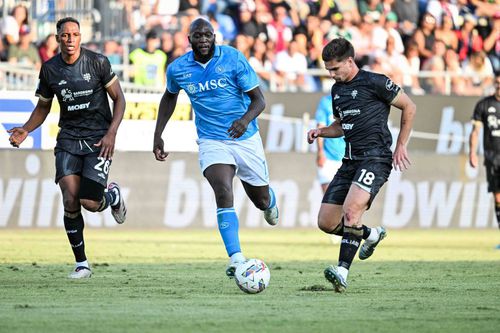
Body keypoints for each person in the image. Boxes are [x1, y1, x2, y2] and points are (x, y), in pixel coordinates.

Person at [153, 18, 279, 278]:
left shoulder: (233, 58)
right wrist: (158, 134)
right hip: (211, 139)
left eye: (207, 34)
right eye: (197, 35)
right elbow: (169, 97)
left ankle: (270, 202)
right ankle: (236, 257)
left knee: (261, 199)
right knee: (222, 190)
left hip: (245, 138)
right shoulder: (178, 69)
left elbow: (259, 100)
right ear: (189, 40)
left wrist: (244, 121)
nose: (203, 39)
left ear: (214, 37)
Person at [7, 17, 127, 279]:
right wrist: (26, 129)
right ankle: (82, 264)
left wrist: (111, 133)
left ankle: (112, 197)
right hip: (68, 140)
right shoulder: (50, 69)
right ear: (58, 38)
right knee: (70, 199)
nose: (70, 39)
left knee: (90, 202)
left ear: (80, 37)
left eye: (75, 34)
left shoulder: (97, 62)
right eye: (65, 35)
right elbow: (43, 107)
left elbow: (119, 99)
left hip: (98, 139)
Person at [307, 37, 416, 293]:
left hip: (376, 158)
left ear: (349, 61)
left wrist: (401, 144)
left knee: (352, 209)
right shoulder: (337, 91)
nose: (331, 74)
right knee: (326, 222)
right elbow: (340, 125)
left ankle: (342, 272)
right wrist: (321, 132)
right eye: (328, 70)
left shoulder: (375, 82)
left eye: (335, 69)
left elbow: (409, 106)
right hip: (350, 161)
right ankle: (371, 235)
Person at [469, 72, 500, 248]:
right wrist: (472, 152)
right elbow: (475, 132)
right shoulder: (484, 105)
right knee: (498, 197)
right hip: (493, 158)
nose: (499, 86)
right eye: (497, 83)